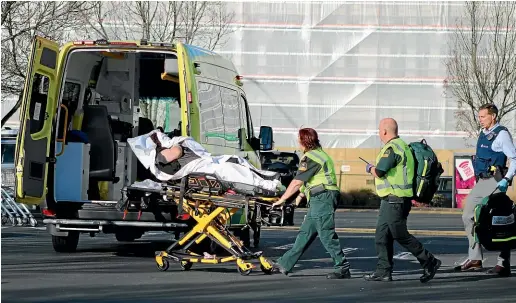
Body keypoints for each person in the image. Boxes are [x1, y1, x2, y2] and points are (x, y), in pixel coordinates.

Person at [363, 118, 441, 283]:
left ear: (384, 131)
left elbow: (380, 172)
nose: (379, 134)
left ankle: (429, 261)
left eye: (379, 130)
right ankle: (383, 271)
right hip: (392, 199)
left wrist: (370, 168)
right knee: (382, 235)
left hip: (395, 199)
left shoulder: (392, 148)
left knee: (399, 234)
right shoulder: (403, 146)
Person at [270, 128, 352, 279]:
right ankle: (284, 263)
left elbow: (297, 181)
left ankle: (342, 267)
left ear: (304, 141)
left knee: (326, 234)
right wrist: (300, 196)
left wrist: (282, 200)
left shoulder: (310, 157)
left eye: (299, 139)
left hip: (323, 198)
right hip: (320, 197)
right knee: (305, 234)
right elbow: (312, 179)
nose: (298, 142)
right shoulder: (319, 154)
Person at [454, 103, 516, 277]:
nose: (480, 120)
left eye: (483, 117)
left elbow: (514, 158)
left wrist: (506, 180)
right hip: (482, 182)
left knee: (499, 221)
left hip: (496, 182)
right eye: (479, 117)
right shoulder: (484, 133)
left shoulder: (501, 134)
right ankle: (475, 258)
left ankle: (503, 264)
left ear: (493, 116)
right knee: (468, 215)